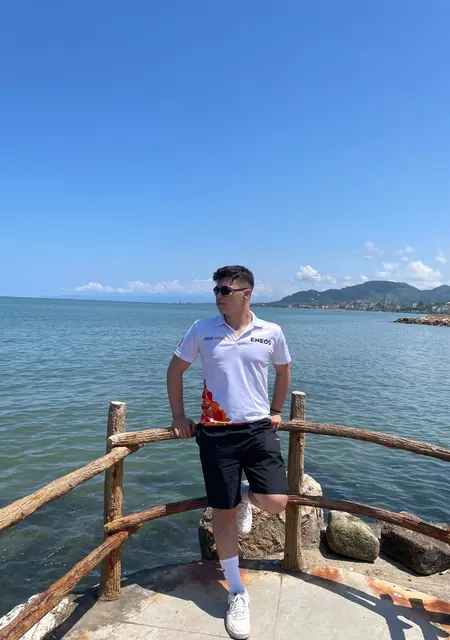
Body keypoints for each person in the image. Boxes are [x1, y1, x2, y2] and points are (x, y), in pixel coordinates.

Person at [166, 265, 291, 640]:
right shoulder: (202, 329)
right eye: (216, 290)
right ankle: (236, 592)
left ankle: (245, 497)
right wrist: (178, 417)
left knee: (277, 502)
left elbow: (283, 372)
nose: (218, 296)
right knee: (222, 513)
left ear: (246, 293)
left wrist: (276, 410)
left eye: (225, 290)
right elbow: (174, 371)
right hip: (216, 433)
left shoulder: (271, 332)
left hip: (258, 429)